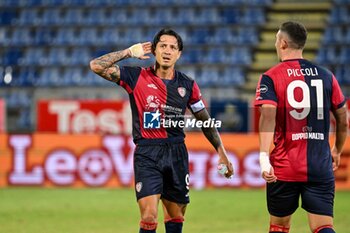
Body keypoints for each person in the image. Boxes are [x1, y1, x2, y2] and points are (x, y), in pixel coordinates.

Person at [89, 28, 233, 233]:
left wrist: (222, 152)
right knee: (148, 216)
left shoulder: (187, 85)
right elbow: (96, 65)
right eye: (163, 46)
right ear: (154, 50)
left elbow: (204, 120)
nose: (167, 51)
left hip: (176, 153)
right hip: (147, 153)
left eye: (173, 47)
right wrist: (128, 52)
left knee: (176, 217)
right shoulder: (136, 76)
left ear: (179, 54)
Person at [254, 21, 348, 233]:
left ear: (284, 43)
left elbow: (267, 115)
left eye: (277, 40)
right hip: (319, 165)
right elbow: (343, 119)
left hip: (284, 167)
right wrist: (337, 150)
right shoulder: (326, 76)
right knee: (323, 226)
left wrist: (262, 157)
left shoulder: (270, 77)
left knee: (279, 226)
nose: (276, 45)